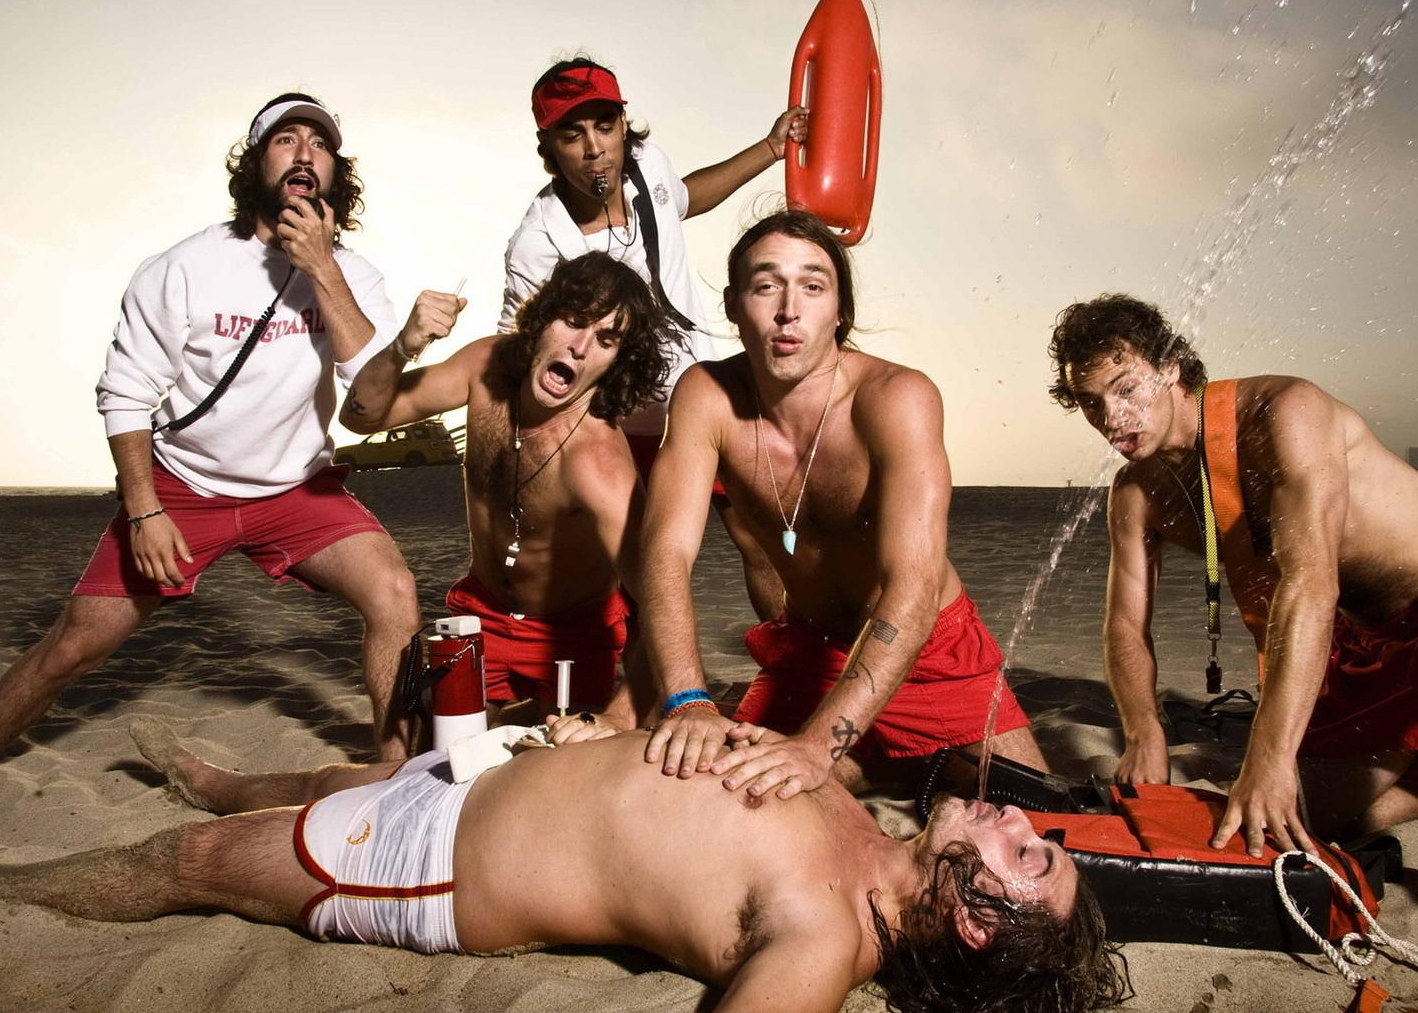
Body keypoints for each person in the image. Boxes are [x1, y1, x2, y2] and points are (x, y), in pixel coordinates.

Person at [1047, 293, 1418, 1002]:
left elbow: (1310, 581)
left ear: (1173, 368)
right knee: (1310, 824)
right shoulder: (1137, 492)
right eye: (1092, 403)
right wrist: (1144, 729)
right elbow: (1126, 623)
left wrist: (1268, 755)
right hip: (1349, 646)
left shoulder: (1284, 412)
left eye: (1126, 389)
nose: (1112, 416)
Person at [0, 719, 1129, 1013]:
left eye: (1032, 861)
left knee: (193, 863)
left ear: (977, 926)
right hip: (497, 771)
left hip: (430, 864)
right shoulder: (862, 823)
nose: (1029, 825)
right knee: (310, 781)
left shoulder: (824, 940)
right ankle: (212, 771)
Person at [0, 94, 420, 823]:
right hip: (184, 488)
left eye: (320, 144)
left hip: (298, 491)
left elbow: (368, 388)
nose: (305, 153)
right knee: (74, 646)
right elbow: (125, 394)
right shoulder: (184, 267)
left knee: (394, 592)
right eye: (286, 140)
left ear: (336, 174)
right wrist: (144, 509)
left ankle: (397, 774)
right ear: (256, 165)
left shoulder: (353, 275)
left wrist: (321, 267)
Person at [639, 211, 1047, 805]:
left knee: (1039, 816)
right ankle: (886, 767)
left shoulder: (897, 398)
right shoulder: (707, 396)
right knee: (728, 798)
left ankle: (892, 762)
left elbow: (911, 590)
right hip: (810, 648)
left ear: (839, 310)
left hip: (925, 649)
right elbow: (665, 553)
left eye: (813, 286)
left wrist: (816, 746)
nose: (789, 310)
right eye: (766, 285)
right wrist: (687, 701)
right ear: (732, 305)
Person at [504, 56, 808, 620]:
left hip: (705, 396)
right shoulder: (537, 244)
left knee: (761, 538)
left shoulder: (648, 166)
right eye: (572, 135)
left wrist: (770, 148)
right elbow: (514, 350)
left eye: (605, 126)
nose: (594, 148)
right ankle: (650, 675)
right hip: (620, 424)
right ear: (548, 147)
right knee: (645, 573)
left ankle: (792, 659)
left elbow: (683, 197)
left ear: (624, 125)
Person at [340, 253, 679, 726]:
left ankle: (529, 718)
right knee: (443, 748)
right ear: (543, 316)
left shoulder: (600, 464)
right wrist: (402, 347)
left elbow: (662, 601)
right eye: (573, 320)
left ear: (618, 363)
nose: (580, 347)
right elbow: (360, 418)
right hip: (482, 612)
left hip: (571, 636)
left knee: (548, 761)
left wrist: (620, 717)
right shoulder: (487, 366)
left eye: (605, 340)